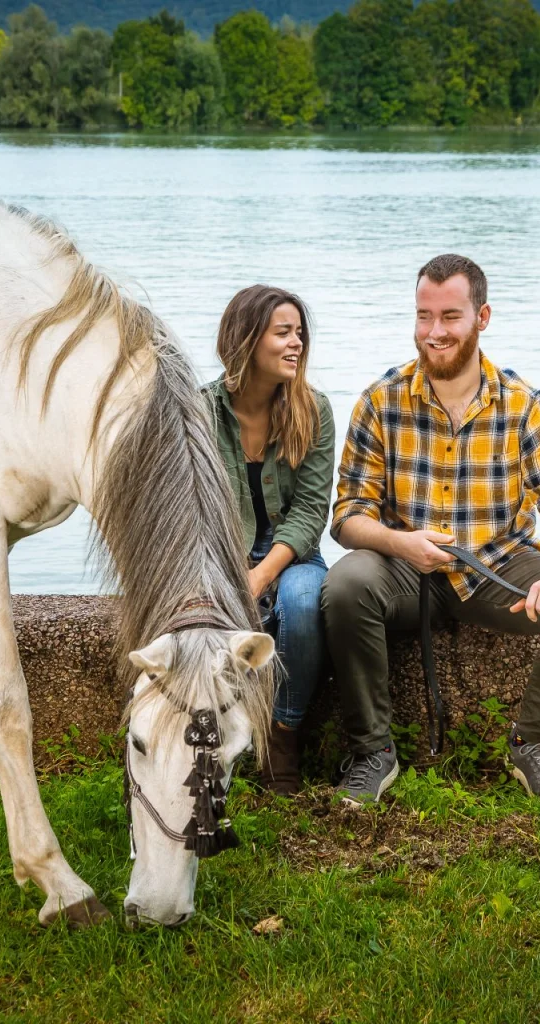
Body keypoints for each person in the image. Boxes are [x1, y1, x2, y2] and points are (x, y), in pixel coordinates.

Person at [322, 254, 540, 807]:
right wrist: (399, 542)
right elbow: (348, 515)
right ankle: (372, 752)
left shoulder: (523, 405)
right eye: (423, 316)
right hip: (406, 571)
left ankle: (533, 743)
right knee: (345, 585)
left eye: (450, 317)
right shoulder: (379, 402)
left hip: (496, 569)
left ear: (482, 317)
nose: (434, 332)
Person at [203, 285, 335, 795]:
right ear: (246, 339)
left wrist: (261, 574)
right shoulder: (200, 412)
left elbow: (309, 511)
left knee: (303, 600)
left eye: (299, 333)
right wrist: (234, 573)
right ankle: (216, 739)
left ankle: (283, 733)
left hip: (292, 554)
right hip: (220, 554)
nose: (296, 343)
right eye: (283, 333)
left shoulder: (313, 410)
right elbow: (191, 507)